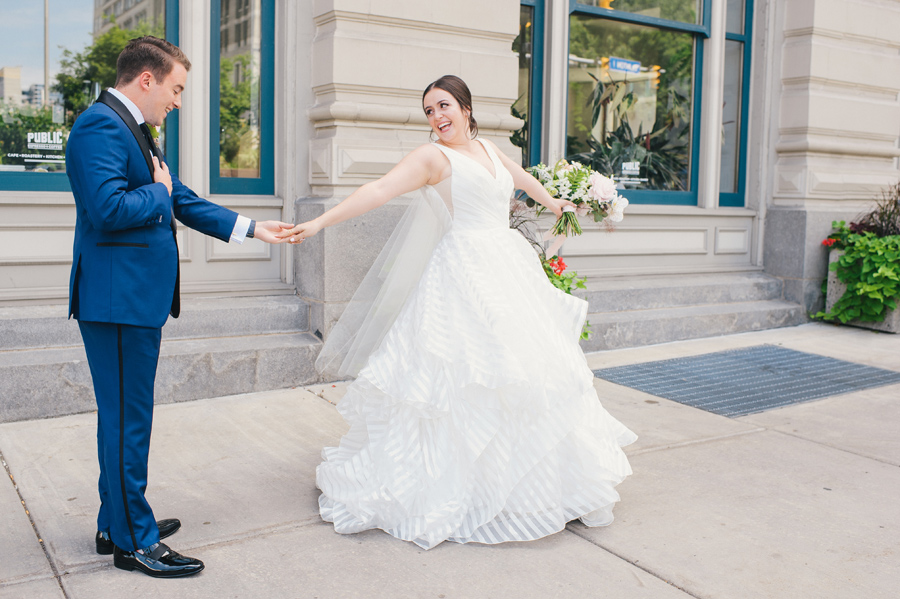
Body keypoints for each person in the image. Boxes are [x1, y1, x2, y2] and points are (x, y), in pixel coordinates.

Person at [280, 75, 637, 550]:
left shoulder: (488, 149)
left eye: (443, 105)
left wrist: (557, 204)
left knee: (527, 370)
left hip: (507, 267)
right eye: (429, 111)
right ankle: (460, 485)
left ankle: (533, 484)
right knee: (464, 376)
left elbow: (520, 177)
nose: (437, 117)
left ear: (466, 108)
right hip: (463, 272)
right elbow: (379, 189)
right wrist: (320, 222)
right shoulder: (433, 157)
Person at [65, 36, 291, 577]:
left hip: (132, 302)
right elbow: (108, 208)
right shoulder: (99, 126)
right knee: (128, 424)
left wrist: (253, 228)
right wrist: (160, 195)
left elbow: (180, 197)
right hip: (119, 304)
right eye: (177, 88)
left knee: (124, 420)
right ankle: (135, 542)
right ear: (147, 79)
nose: (179, 100)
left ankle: (113, 521)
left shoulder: (133, 129)